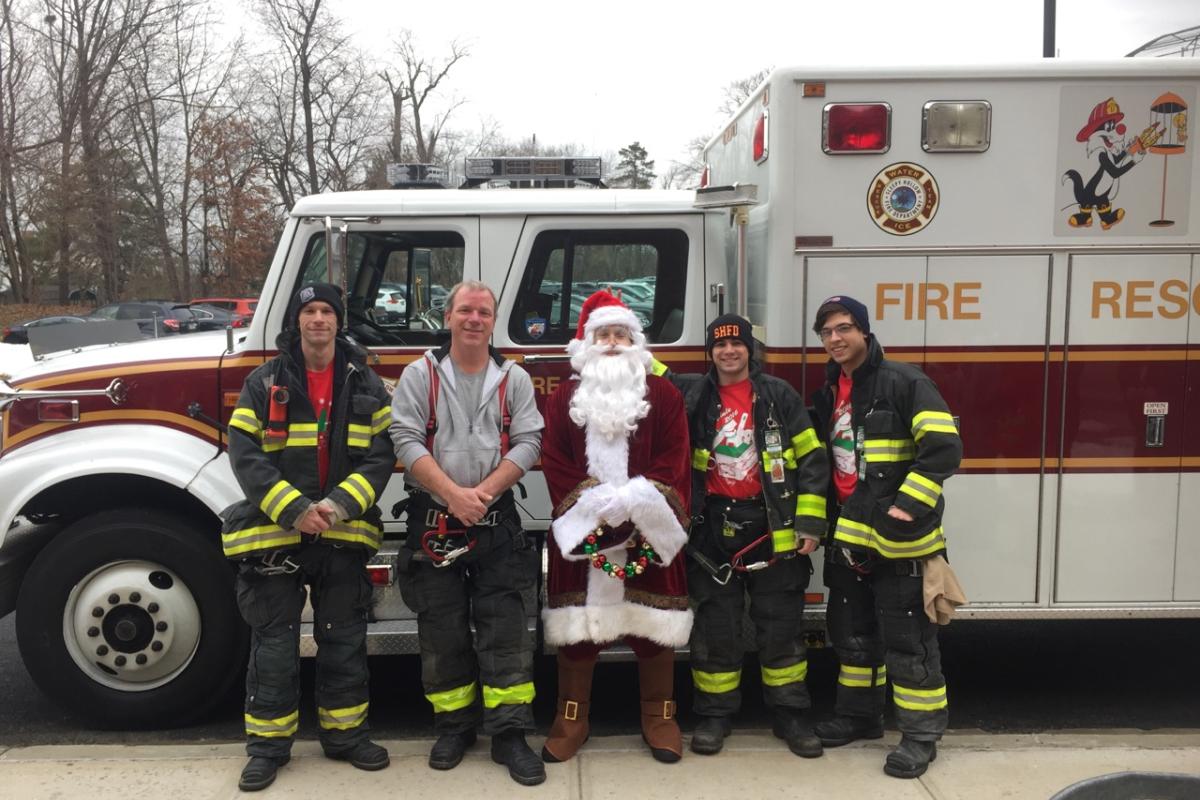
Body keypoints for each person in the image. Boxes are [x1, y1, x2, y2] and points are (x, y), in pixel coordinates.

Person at [222, 283, 393, 792]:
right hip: (277, 533)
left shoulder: (367, 383)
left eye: (326, 312)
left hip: (342, 531)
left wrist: (337, 505)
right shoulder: (263, 381)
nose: (318, 319)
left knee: (343, 639)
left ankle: (345, 737)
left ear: (339, 322)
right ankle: (268, 749)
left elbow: (381, 456)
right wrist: (295, 510)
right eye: (309, 311)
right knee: (274, 644)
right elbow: (244, 453)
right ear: (297, 321)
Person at [389, 280, 546, 786]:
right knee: (442, 630)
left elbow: (528, 442)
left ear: (492, 320)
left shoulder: (513, 378)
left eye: (483, 311)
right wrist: (453, 495)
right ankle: (454, 728)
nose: (474, 319)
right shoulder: (420, 375)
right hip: (435, 519)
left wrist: (484, 493)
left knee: (505, 632)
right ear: (449, 316)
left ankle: (510, 734)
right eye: (465, 311)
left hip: (497, 523)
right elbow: (406, 438)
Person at [809, 295, 962, 780]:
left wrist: (903, 509)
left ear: (865, 333)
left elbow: (943, 448)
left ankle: (920, 736)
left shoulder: (903, 381)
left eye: (844, 328)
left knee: (909, 642)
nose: (835, 339)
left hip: (900, 543)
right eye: (827, 332)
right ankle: (860, 717)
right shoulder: (830, 390)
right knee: (853, 639)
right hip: (850, 542)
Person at [539, 289, 692, 765]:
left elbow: (676, 457)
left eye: (619, 334)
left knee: (653, 633)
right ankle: (571, 719)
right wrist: (597, 505)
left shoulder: (663, 394)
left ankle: (660, 717)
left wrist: (636, 502)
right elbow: (554, 458)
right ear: (587, 343)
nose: (610, 342)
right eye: (602, 334)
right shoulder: (565, 396)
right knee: (580, 634)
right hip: (585, 536)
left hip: (649, 529)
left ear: (635, 342)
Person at [680, 314, 829, 758]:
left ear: (750, 350)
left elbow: (813, 460)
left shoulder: (779, 396)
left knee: (780, 627)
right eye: (720, 346)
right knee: (715, 629)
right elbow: (645, 371)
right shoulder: (695, 394)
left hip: (772, 527)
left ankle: (790, 714)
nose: (729, 352)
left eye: (737, 345)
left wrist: (809, 524)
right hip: (711, 533)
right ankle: (714, 715)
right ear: (711, 352)